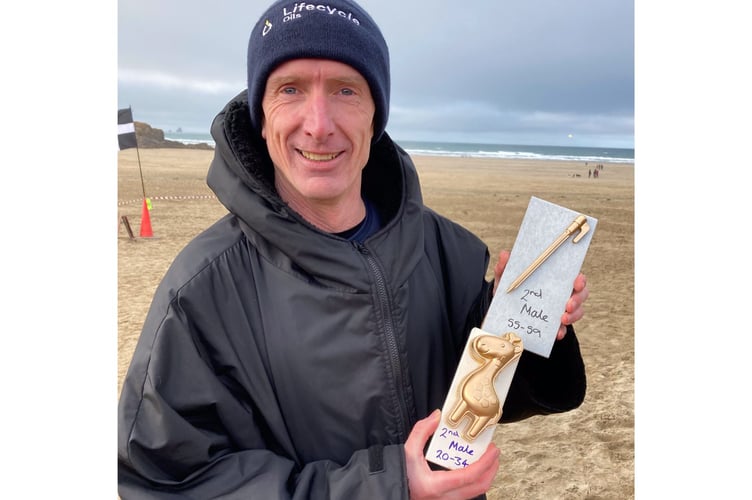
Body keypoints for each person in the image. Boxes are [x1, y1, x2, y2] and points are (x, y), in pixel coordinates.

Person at [118, 1, 590, 498]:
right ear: (261, 116)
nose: (319, 124)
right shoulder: (201, 291)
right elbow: (164, 478)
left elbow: (480, 402)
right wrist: (386, 486)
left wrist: (528, 328)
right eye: (290, 89)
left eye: (346, 90)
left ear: (375, 116)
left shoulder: (450, 250)